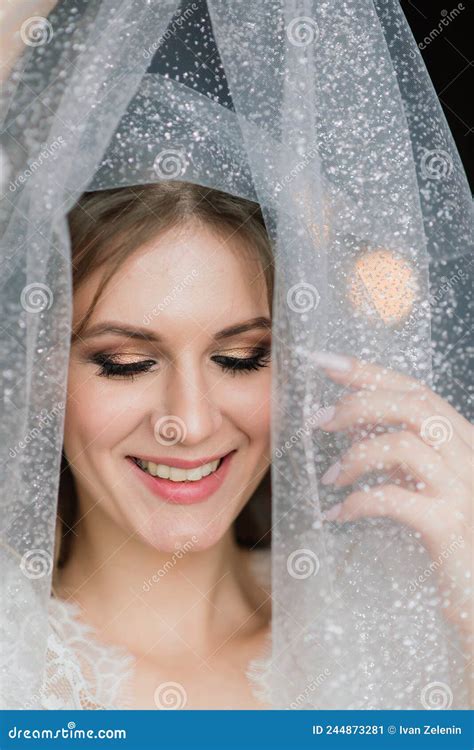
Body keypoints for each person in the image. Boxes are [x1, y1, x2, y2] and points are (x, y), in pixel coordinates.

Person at [45, 181, 473, 710]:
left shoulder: (398, 629)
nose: (192, 423)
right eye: (125, 364)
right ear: (37, 376)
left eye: (241, 358)